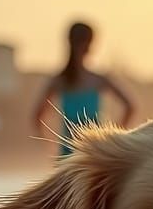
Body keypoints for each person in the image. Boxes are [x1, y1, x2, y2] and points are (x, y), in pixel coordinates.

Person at [32, 22, 134, 156]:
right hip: (71, 152)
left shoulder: (96, 79)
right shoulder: (63, 80)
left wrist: (114, 140)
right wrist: (50, 145)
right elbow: (37, 116)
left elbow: (130, 106)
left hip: (94, 151)